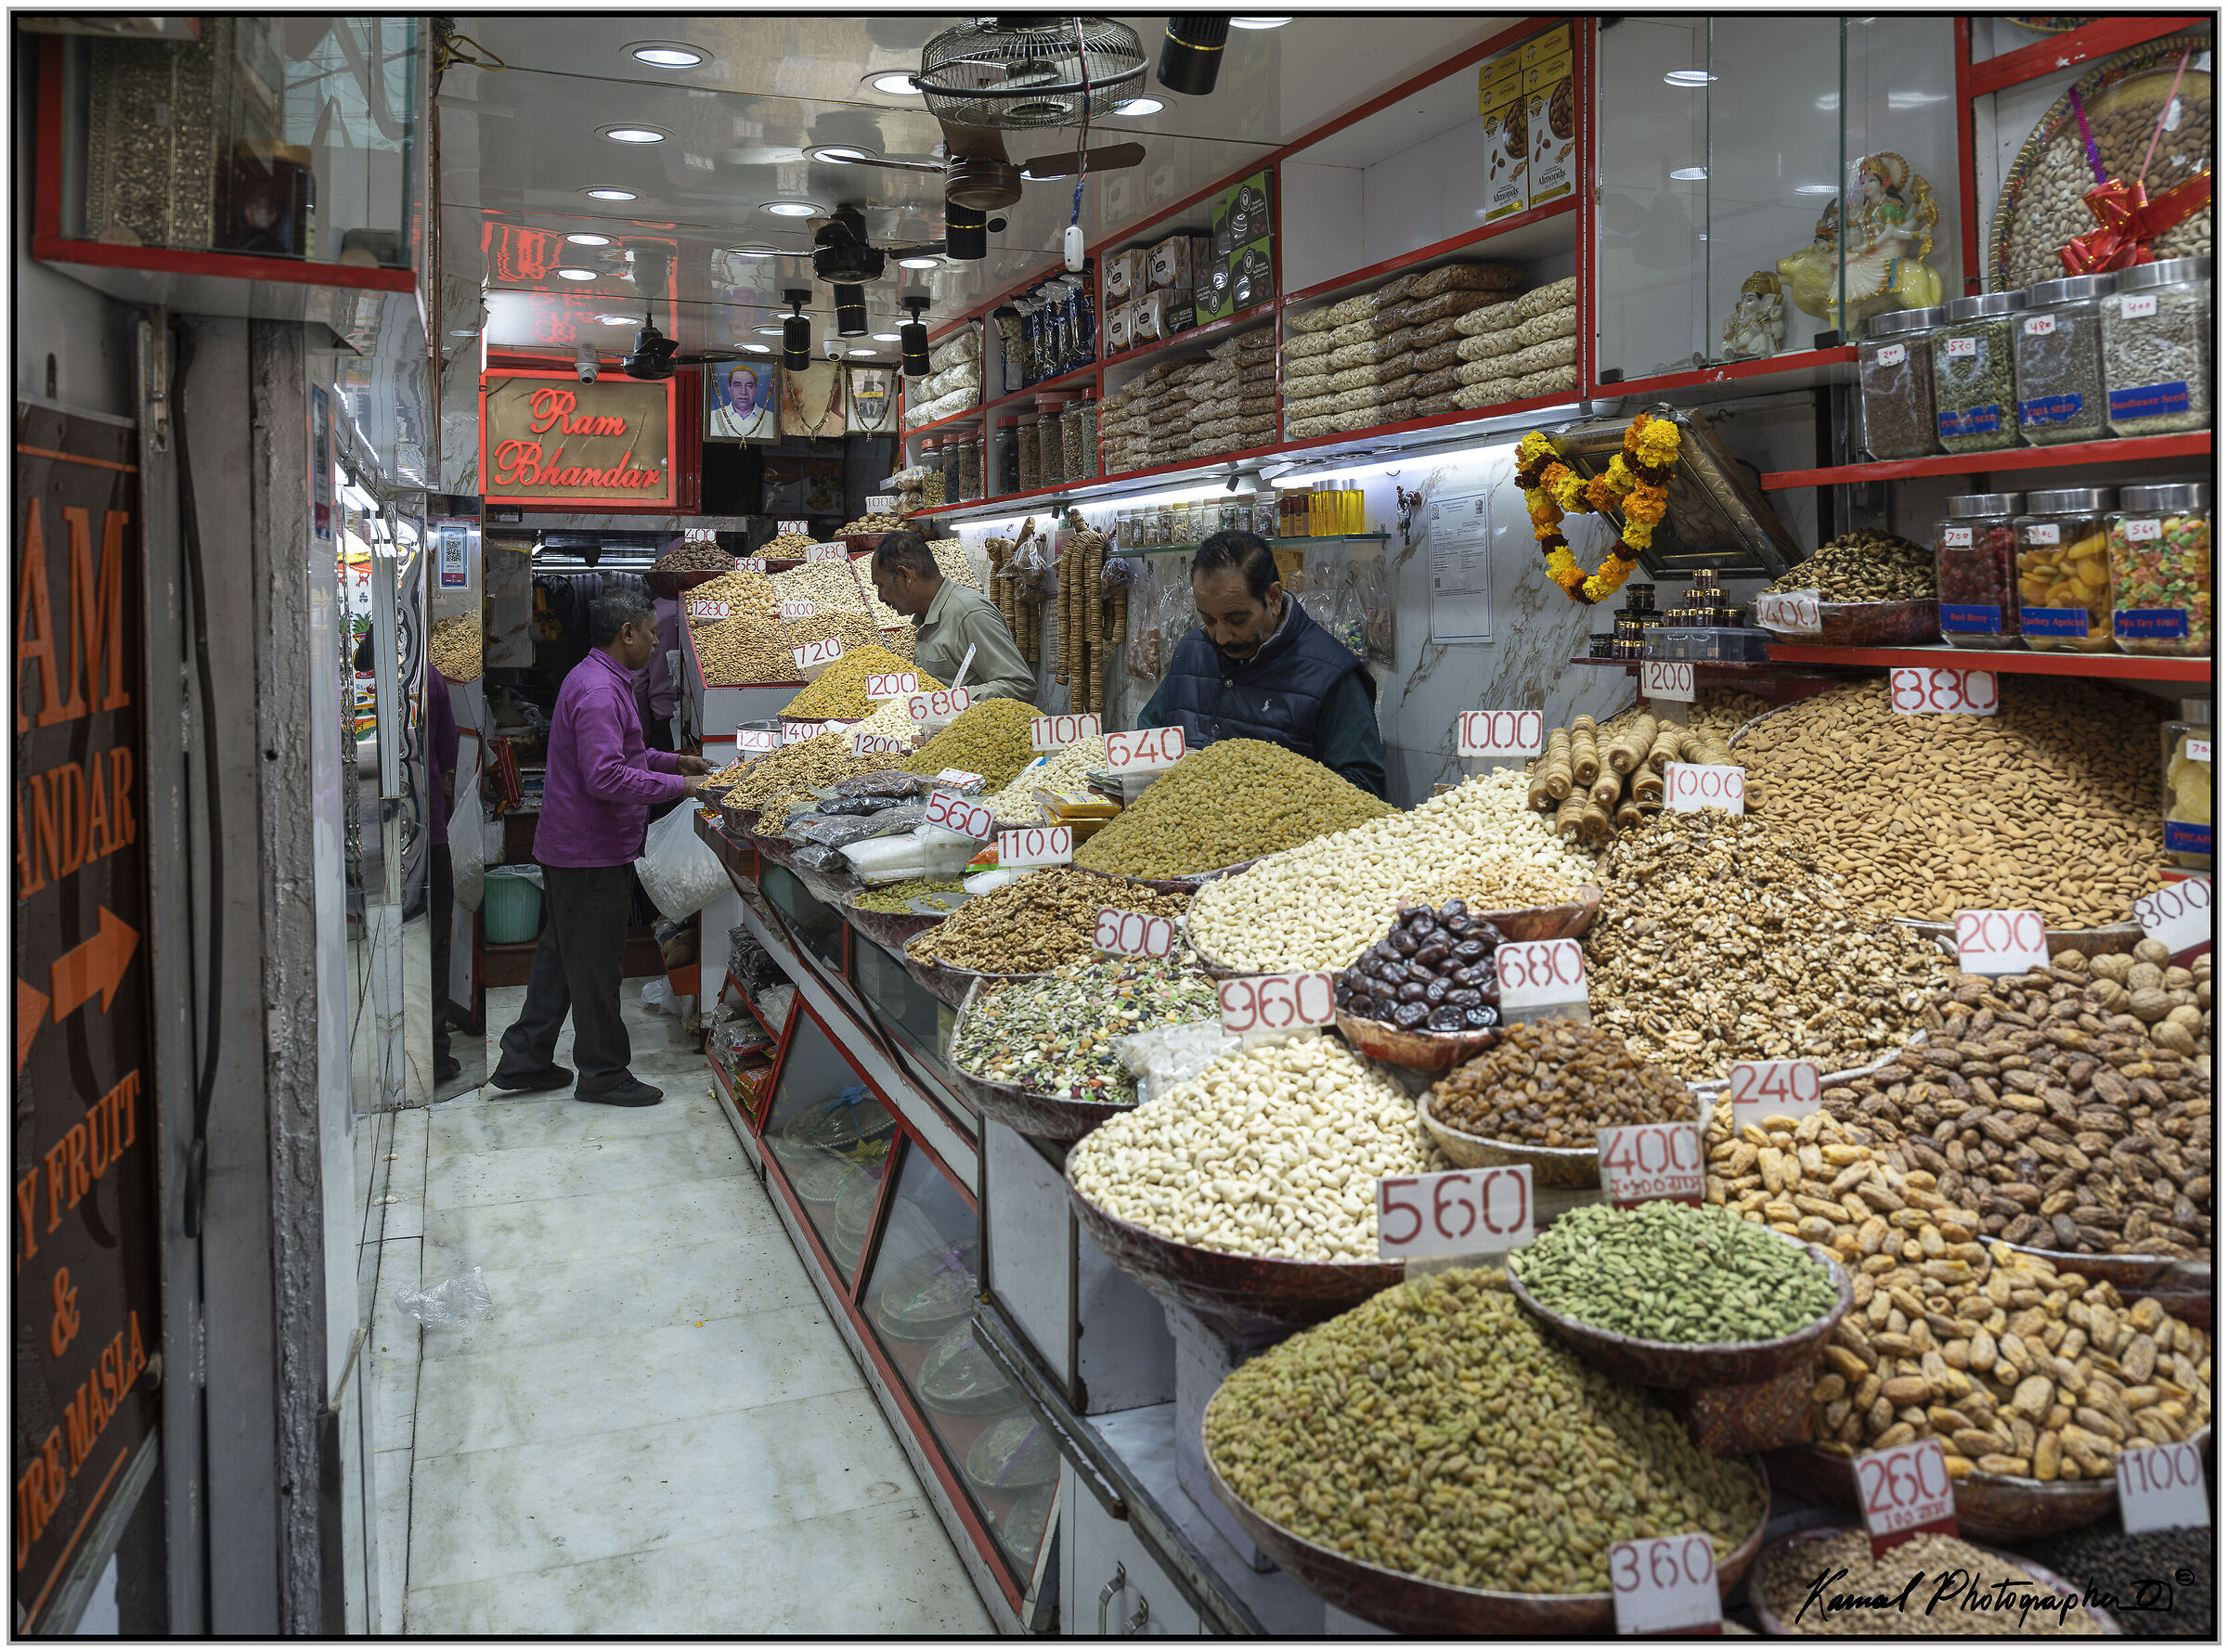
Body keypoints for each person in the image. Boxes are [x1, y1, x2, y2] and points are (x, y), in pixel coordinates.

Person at [490, 588, 718, 1106]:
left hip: (577, 849)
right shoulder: (598, 690)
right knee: (595, 965)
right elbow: (606, 776)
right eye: (652, 633)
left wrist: (673, 762)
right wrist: (684, 789)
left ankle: (525, 1059)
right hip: (589, 851)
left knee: (561, 957)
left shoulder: (602, 680)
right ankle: (603, 1072)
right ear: (627, 634)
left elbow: (628, 753)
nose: (658, 642)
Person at [1137, 530, 1385, 798]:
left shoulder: (1334, 675)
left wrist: (1267, 796)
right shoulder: (1191, 651)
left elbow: (1364, 790)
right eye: (1209, 620)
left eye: (1237, 619)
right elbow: (1148, 737)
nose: (1221, 636)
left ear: (1274, 599)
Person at [867, 531, 1035, 702]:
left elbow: (1020, 686)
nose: (880, 597)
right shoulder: (925, 616)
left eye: (881, 585)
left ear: (905, 576)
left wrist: (950, 700)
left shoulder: (970, 614)